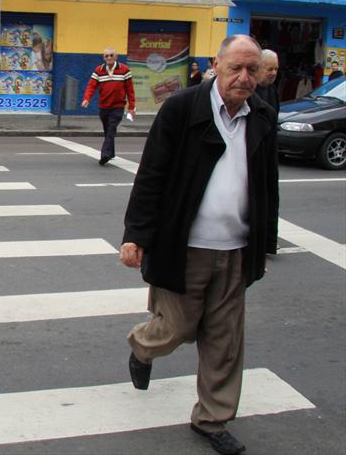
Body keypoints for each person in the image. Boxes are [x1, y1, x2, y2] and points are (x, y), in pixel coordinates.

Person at [121, 35, 278, 455]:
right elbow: (151, 175)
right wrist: (136, 235)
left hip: (236, 250)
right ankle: (142, 346)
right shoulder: (181, 108)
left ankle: (212, 419)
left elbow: (267, 184)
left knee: (224, 341)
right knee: (174, 329)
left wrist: (266, 240)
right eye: (236, 69)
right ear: (216, 64)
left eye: (252, 70)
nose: (244, 78)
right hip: (182, 245)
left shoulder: (261, 114)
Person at [81, 47, 136, 165]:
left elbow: (130, 90)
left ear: (116, 57)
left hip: (118, 107)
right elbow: (91, 86)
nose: (109, 58)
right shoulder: (99, 70)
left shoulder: (124, 70)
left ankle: (105, 155)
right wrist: (86, 99)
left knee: (111, 129)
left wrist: (131, 107)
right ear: (103, 58)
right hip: (104, 106)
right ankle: (111, 152)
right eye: (107, 56)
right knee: (108, 131)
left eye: (111, 55)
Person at [255, 49, 280, 114]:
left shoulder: (272, 89)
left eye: (276, 69)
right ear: (258, 68)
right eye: (270, 69)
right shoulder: (248, 91)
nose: (274, 73)